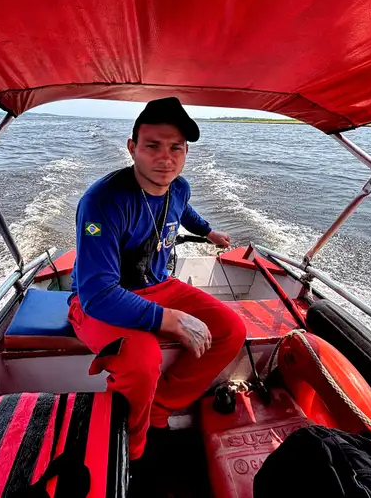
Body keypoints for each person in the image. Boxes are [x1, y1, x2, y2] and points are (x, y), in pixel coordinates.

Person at [67, 97, 246, 467]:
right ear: (132, 147)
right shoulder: (102, 202)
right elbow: (97, 293)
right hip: (102, 300)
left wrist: (210, 232)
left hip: (160, 285)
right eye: (153, 146)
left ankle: (159, 409)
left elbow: (186, 213)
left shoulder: (179, 187)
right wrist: (171, 319)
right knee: (141, 361)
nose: (166, 158)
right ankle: (132, 454)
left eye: (175, 148)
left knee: (231, 329)